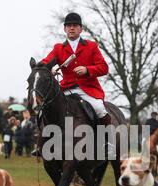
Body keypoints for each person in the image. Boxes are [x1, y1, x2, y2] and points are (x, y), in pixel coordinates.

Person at [41, 12, 116, 158]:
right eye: (68, 26)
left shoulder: (91, 46)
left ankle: (107, 143)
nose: (71, 28)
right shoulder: (58, 48)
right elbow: (46, 61)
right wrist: (49, 68)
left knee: (99, 108)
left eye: (75, 26)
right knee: (48, 108)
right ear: (64, 29)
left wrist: (87, 69)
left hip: (88, 89)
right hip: (66, 89)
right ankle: (44, 143)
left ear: (81, 29)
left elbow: (104, 68)